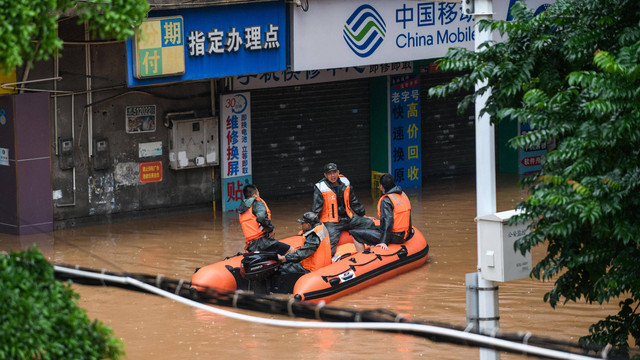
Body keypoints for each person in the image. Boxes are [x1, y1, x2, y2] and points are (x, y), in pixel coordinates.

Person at [312, 162, 374, 255]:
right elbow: (316, 208)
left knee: (369, 223)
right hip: (332, 222)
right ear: (325, 175)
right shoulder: (321, 187)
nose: (333, 175)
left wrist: (362, 214)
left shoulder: (345, 182)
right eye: (329, 173)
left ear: (338, 172)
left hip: (348, 218)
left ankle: (374, 248)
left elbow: (353, 200)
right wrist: (313, 224)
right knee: (330, 243)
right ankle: (329, 263)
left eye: (334, 172)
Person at [349, 173, 413, 252]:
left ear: (382, 187)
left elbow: (388, 221)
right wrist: (410, 232)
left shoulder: (386, 200)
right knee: (372, 227)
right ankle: (373, 247)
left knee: (355, 234)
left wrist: (383, 242)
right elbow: (408, 215)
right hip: (404, 234)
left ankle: (362, 258)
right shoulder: (402, 195)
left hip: (394, 236)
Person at [239, 184, 291, 255]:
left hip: (250, 245)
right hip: (262, 242)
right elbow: (262, 217)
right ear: (255, 193)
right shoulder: (257, 203)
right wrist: (270, 230)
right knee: (291, 250)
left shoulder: (242, 208)